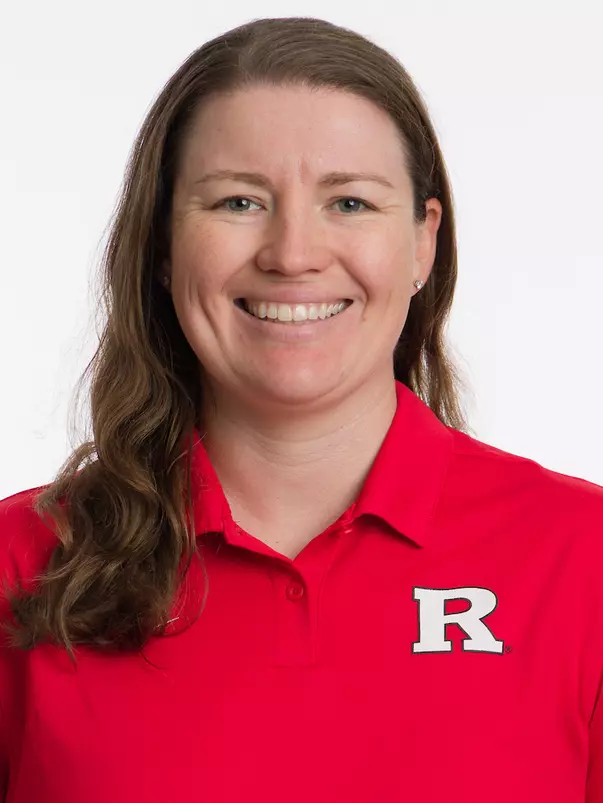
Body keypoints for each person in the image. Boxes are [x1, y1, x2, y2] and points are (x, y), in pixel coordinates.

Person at [0, 15, 602, 803]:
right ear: (161, 245)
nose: (291, 253)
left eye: (349, 203)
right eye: (238, 201)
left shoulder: (580, 559)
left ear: (421, 243)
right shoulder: (21, 563)